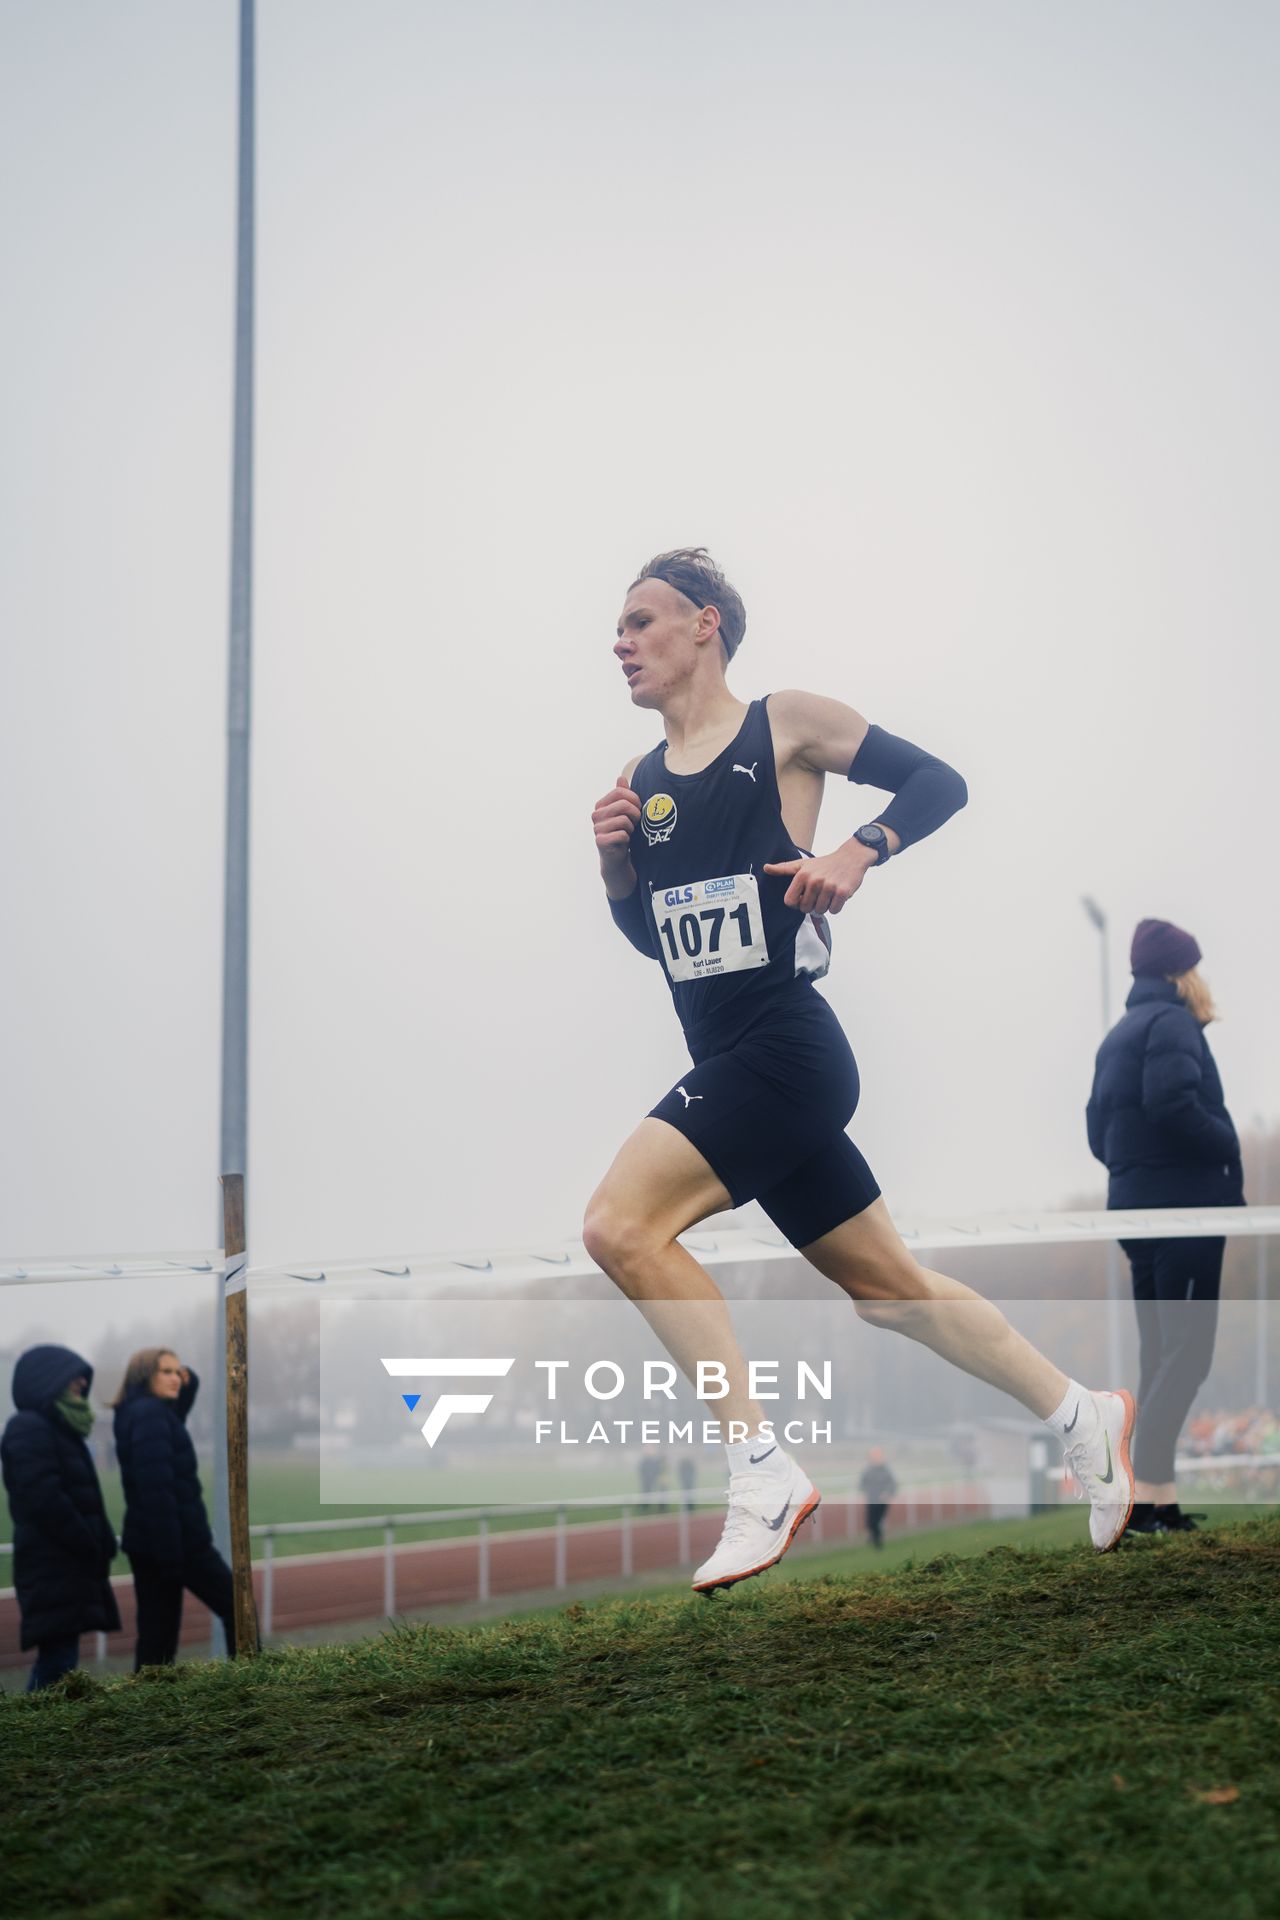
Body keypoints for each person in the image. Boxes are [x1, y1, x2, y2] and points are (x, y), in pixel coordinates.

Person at [586, 547, 1136, 1594]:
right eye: (614, 629)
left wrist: (858, 849)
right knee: (889, 1292)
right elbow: (662, 946)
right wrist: (616, 868)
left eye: (640, 620)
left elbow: (940, 781)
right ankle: (1082, 1415)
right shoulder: (637, 785)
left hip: (786, 1050)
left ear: (703, 626)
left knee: (619, 1227)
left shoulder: (782, 725)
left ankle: (759, 1472)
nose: (620, 641)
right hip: (733, 1061)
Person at [1087, 918, 1244, 1535]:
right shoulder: (1174, 1023)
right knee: (1188, 1354)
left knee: (1161, 1355)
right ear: (1180, 973)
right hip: (1187, 1210)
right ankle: (1132, 1492)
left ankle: (1156, 1501)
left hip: (1136, 1209)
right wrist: (1227, 1142)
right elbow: (1174, 1103)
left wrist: (1134, 1172)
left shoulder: (1118, 1033)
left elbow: (1098, 1132)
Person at [0, 1345, 121, 1690]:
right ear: (46, 1380)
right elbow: (45, 1498)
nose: (83, 1382)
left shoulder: (59, 1428)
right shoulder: (29, 1428)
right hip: (51, 1563)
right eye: (75, 1376)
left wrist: (100, 1541)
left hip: (65, 1563)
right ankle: (32, 1733)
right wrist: (87, 1541)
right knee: (56, 1663)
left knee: (61, 1658)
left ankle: (39, 1730)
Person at [111, 1348, 238, 1666]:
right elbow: (157, 1489)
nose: (175, 1378)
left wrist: (189, 1384)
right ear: (144, 1377)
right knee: (239, 1608)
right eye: (165, 1372)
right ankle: (252, 1683)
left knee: (157, 1635)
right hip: (178, 1542)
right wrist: (170, 1555)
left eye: (176, 1371)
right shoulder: (151, 1415)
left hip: (150, 1542)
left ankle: (149, 1702)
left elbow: (173, 1421)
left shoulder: (141, 1411)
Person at [859, 1446, 898, 1548]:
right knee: (870, 1521)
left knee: (876, 1521)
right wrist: (865, 1492)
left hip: (882, 1500)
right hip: (871, 1499)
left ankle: (877, 1542)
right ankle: (874, 1537)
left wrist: (887, 1493)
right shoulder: (868, 1469)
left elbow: (893, 1484)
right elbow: (863, 1483)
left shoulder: (886, 1469)